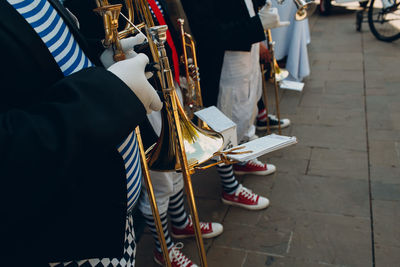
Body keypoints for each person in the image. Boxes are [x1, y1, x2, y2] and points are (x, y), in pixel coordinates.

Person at [1, 0, 162, 266]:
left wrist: (99, 64)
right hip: (59, 248)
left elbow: (40, 69)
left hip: (109, 225)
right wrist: (110, 93)